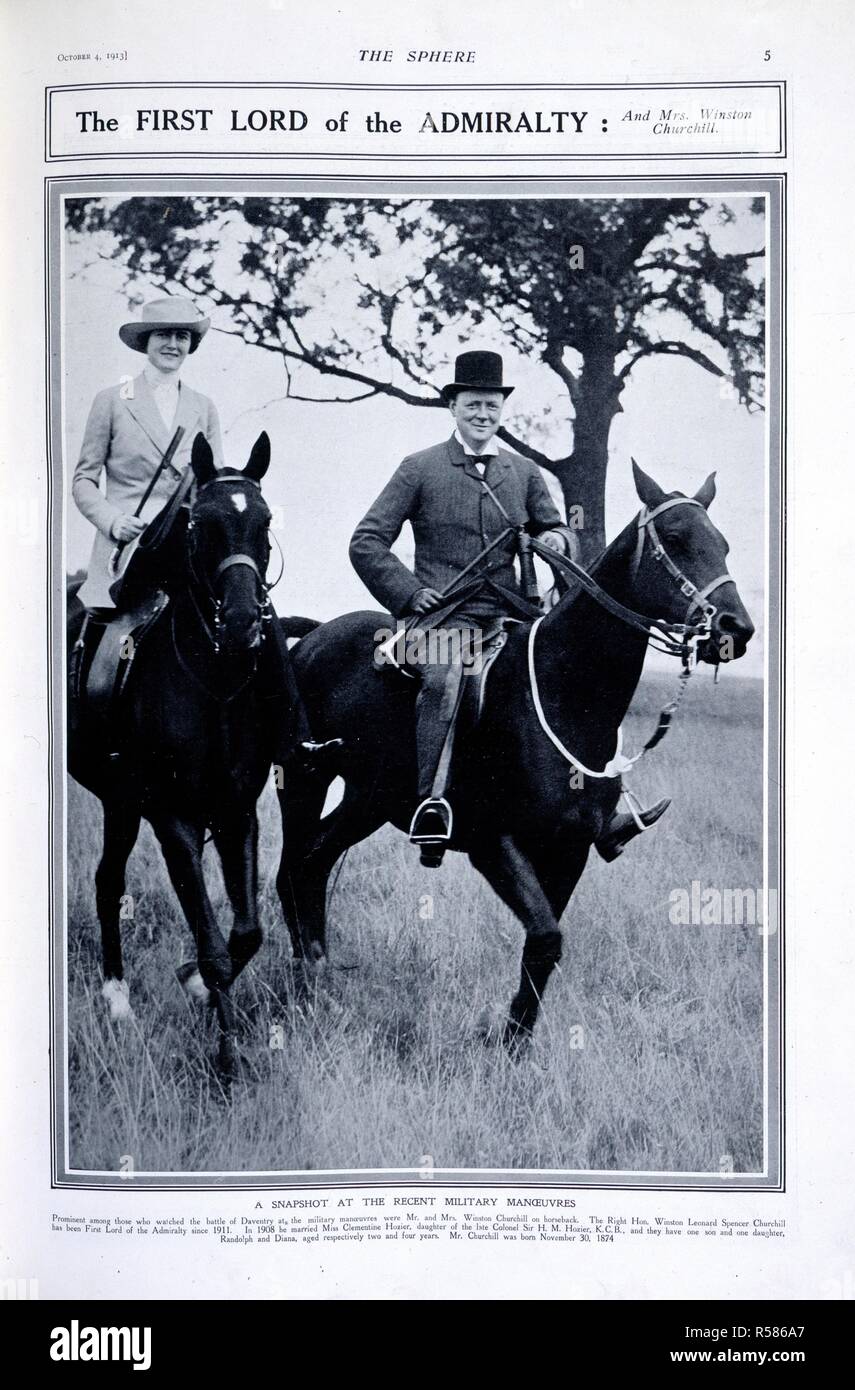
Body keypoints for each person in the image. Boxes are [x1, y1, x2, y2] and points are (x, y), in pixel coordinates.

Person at [349, 348, 667, 865]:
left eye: (492, 405)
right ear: (453, 407)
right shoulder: (419, 468)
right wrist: (408, 594)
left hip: (512, 616)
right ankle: (432, 806)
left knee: (579, 678)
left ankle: (604, 810)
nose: (483, 414)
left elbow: (556, 527)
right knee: (445, 680)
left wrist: (559, 542)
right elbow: (367, 542)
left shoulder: (523, 473)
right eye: (473, 404)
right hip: (442, 619)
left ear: (501, 411)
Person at [73, 295, 223, 613]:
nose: (172, 344)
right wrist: (113, 522)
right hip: (126, 549)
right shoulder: (112, 400)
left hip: (186, 550)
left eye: (181, 336)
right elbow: (83, 481)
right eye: (163, 334)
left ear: (190, 344)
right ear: (146, 341)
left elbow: (215, 486)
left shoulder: (204, 407)